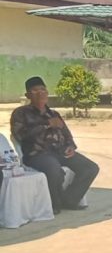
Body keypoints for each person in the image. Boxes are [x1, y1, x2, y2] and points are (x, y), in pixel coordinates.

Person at [10, 76, 99, 214]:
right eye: (35, 90)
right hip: (37, 154)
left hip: (60, 152)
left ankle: (69, 200)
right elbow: (20, 135)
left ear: (47, 93)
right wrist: (46, 124)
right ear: (28, 95)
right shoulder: (21, 113)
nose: (40, 93)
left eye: (42, 89)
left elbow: (67, 134)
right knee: (54, 169)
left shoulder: (53, 113)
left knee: (90, 168)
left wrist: (70, 146)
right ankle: (54, 204)